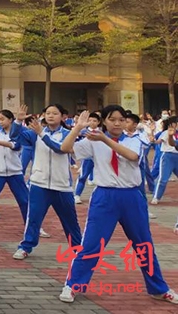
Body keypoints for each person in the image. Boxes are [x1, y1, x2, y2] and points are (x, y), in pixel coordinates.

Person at [57, 107, 178, 305]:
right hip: (105, 197)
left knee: (143, 244)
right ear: (104, 121)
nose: (117, 123)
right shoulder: (93, 141)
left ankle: (159, 288)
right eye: (112, 119)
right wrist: (77, 128)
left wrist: (104, 140)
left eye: (121, 119)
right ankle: (73, 285)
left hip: (131, 196)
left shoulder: (135, 138)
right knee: (92, 244)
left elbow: (132, 156)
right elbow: (65, 148)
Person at [13, 104, 82, 260]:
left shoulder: (68, 134)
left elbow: (61, 149)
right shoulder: (34, 133)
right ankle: (25, 247)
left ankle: (78, 248)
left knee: (70, 220)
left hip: (62, 185)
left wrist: (42, 133)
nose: (50, 116)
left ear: (63, 117)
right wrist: (17, 121)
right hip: (39, 183)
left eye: (55, 113)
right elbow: (15, 137)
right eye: (48, 113)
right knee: (33, 218)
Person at [73, 112, 100, 204]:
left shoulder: (102, 133)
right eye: (90, 120)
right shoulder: (83, 132)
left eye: (94, 121)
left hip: (99, 158)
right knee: (83, 176)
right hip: (87, 158)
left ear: (98, 122)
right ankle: (77, 195)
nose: (92, 122)